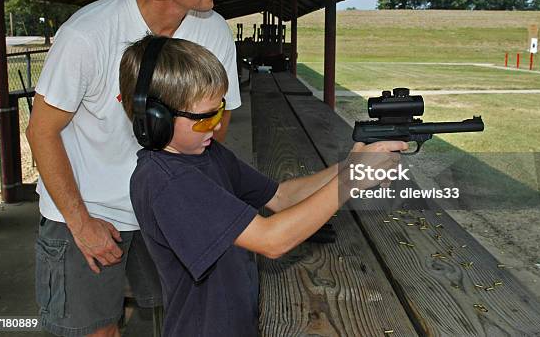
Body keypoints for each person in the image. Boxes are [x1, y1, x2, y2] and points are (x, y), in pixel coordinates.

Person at [26, 0, 240, 337]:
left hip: (164, 208)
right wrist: (81, 222)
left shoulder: (214, 31)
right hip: (89, 210)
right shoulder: (88, 35)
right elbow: (40, 130)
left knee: (187, 322)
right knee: (96, 330)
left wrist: (193, 202)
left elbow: (219, 122)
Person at [118, 35, 408, 337]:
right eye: (205, 119)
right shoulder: (167, 182)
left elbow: (281, 196)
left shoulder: (205, 153)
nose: (217, 125)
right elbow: (272, 240)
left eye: (219, 112)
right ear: (156, 119)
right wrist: (350, 181)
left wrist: (349, 165)